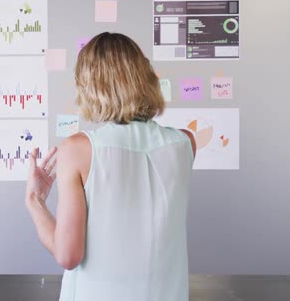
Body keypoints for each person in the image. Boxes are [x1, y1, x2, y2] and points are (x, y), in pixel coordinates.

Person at [25, 32, 196, 301]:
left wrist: (35, 200)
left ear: (90, 86)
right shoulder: (186, 143)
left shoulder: (78, 150)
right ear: (145, 77)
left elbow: (68, 255)